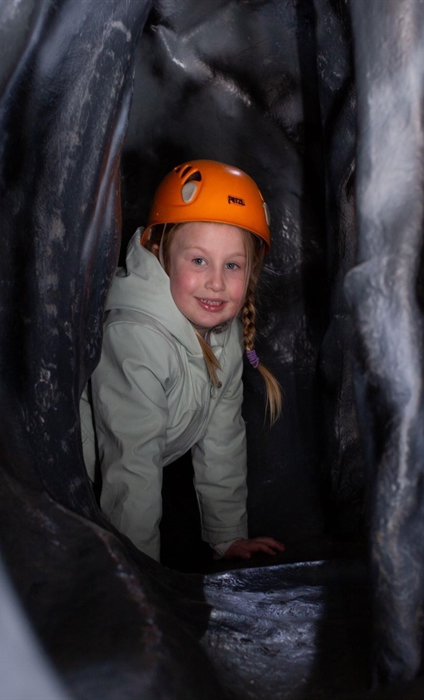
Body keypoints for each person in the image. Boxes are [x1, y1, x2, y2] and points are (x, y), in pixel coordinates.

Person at [81, 159, 285, 563]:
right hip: (77, 479)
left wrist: (227, 537)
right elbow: (131, 464)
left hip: (122, 479)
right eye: (198, 260)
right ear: (160, 252)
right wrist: (140, 574)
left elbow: (222, 439)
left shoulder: (221, 334)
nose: (216, 281)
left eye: (232, 265)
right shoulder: (136, 337)